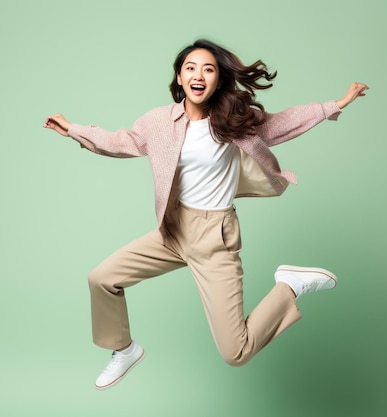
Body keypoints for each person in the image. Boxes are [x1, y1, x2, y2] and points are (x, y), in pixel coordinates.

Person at [44, 39, 368, 390]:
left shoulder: (233, 120)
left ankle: (290, 285)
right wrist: (74, 130)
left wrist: (334, 105)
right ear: (180, 78)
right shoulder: (159, 122)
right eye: (191, 68)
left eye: (209, 69)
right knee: (102, 278)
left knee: (236, 352)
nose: (199, 75)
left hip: (215, 236)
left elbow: (282, 123)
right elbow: (122, 142)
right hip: (173, 230)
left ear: (217, 80)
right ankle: (123, 350)